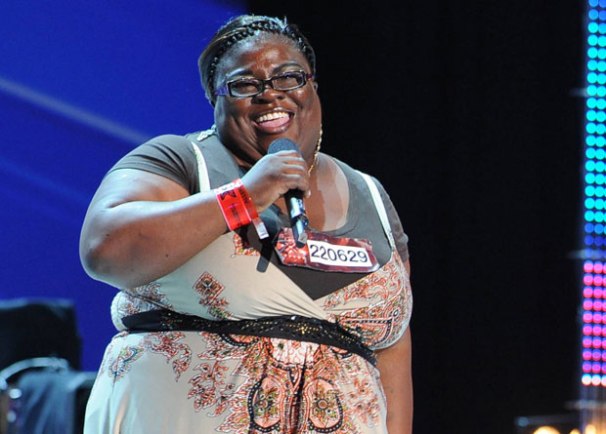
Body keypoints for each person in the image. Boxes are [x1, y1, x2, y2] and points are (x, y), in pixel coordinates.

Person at [80, 14, 413, 434]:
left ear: (313, 85)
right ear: (215, 99)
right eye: (243, 84)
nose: (269, 94)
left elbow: (393, 354)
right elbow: (104, 247)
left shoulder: (371, 195)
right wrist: (245, 197)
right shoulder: (180, 161)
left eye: (288, 77)